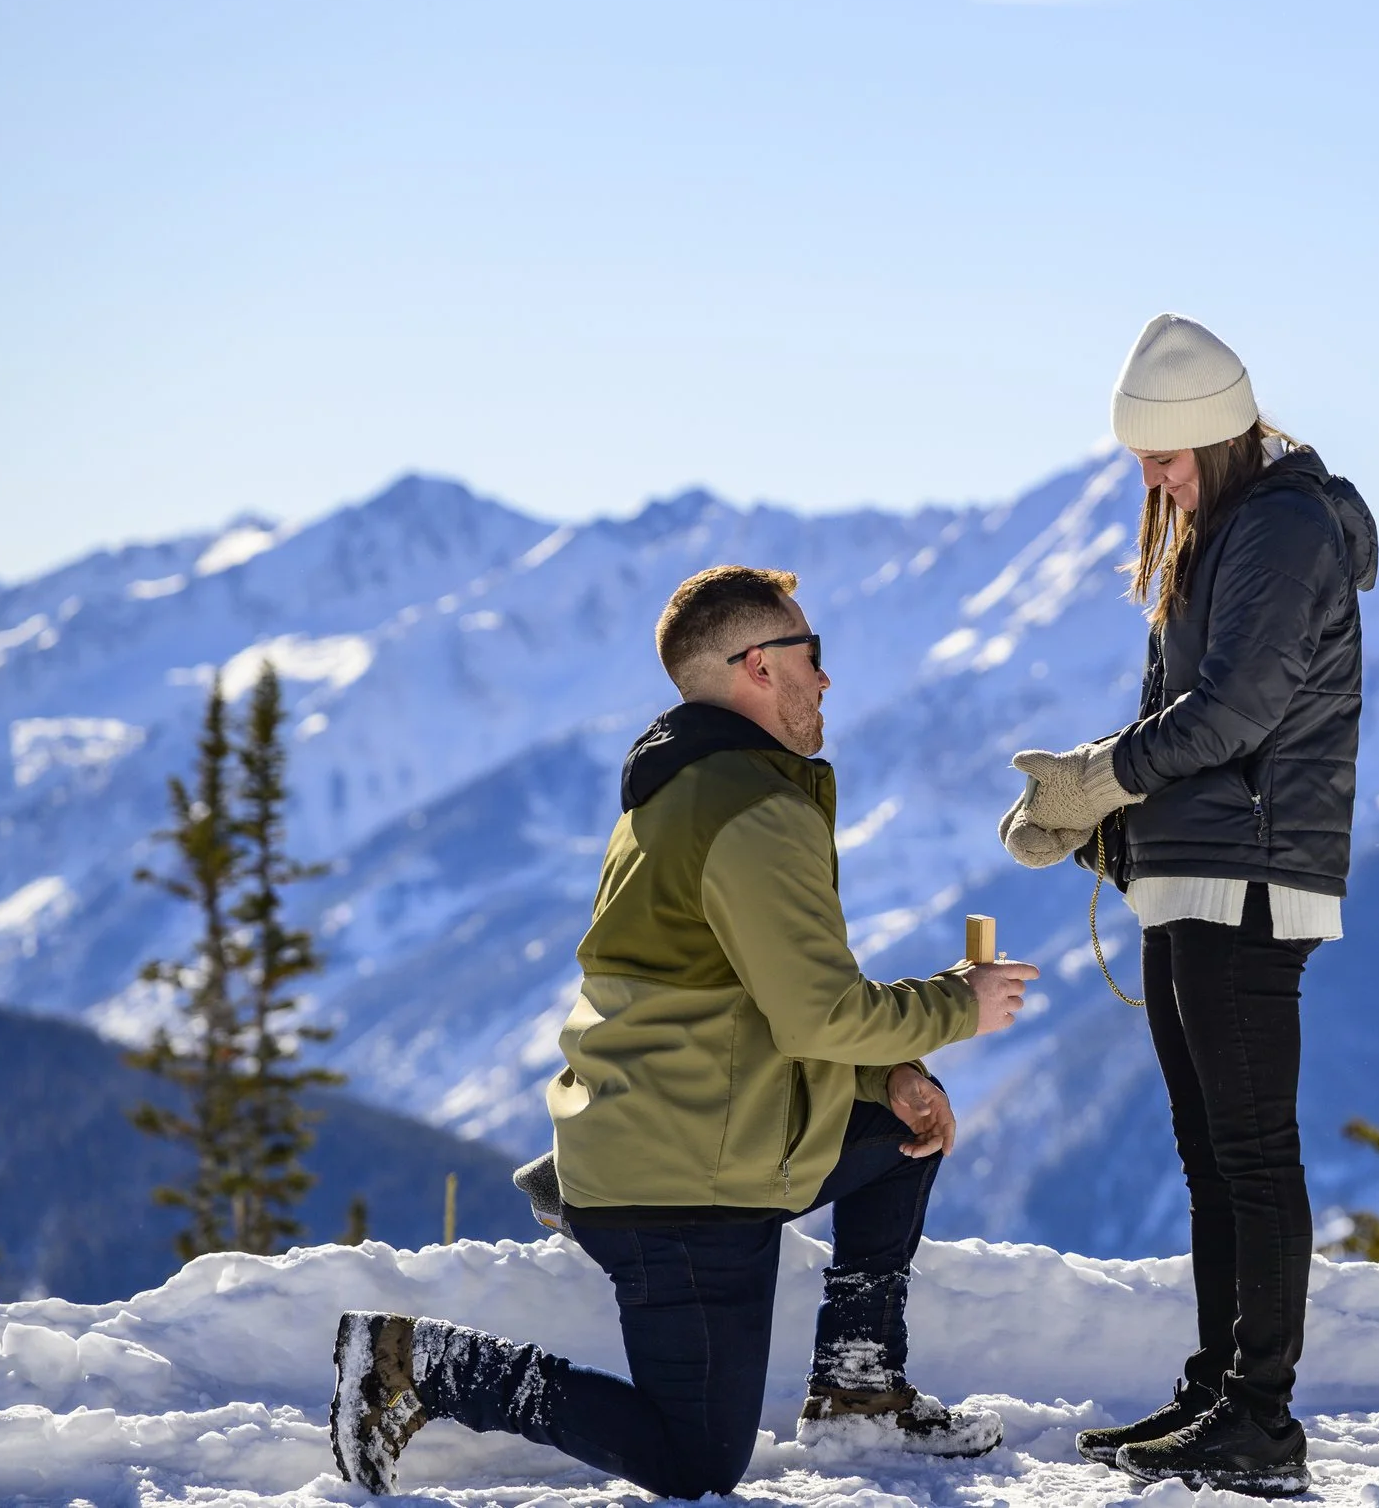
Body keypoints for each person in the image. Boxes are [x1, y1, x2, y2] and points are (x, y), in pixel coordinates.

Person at [332, 564, 1040, 1497]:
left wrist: (888, 1075)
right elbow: (818, 1011)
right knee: (693, 1461)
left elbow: (747, 1001)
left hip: (696, 1131)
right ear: (756, 665)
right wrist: (962, 1003)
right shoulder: (750, 809)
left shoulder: (688, 791)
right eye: (810, 654)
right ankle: (409, 1366)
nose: (826, 677)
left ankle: (859, 1386)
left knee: (903, 1131)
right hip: (684, 1181)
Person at [999, 314, 1377, 1497]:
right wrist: (1112, 824)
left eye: (1162, 454)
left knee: (1250, 1152)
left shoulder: (1278, 526)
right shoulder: (1224, 528)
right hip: (1205, 870)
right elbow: (1198, 719)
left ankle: (1259, 1416)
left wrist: (1100, 778)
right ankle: (1219, 1389)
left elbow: (1234, 711)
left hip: (1250, 880)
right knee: (1213, 1152)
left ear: (1216, 434)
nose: (1148, 477)